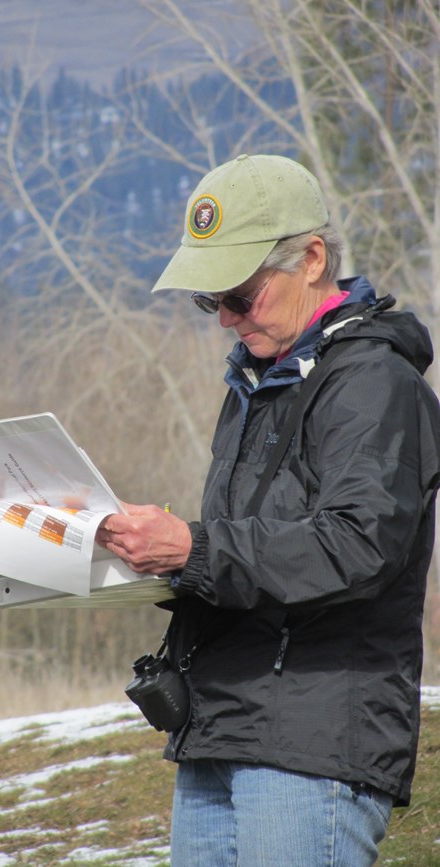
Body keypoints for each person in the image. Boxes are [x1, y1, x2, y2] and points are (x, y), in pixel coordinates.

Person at [96, 153, 440, 866]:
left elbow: (357, 545)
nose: (223, 317)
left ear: (312, 259)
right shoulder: (256, 381)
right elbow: (249, 553)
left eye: (238, 295)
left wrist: (192, 548)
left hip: (312, 744)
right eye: (207, 301)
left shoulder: (373, 382)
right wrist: (139, 554)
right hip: (221, 725)